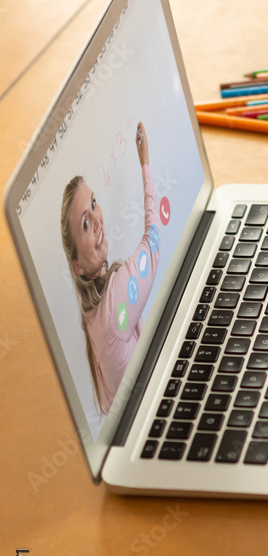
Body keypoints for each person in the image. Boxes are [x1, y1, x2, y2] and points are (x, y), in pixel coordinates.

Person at [61, 122, 160, 416]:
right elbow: (153, 240)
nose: (97, 219)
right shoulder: (114, 302)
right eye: (86, 224)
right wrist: (145, 163)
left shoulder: (91, 313)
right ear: (77, 266)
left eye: (94, 204)